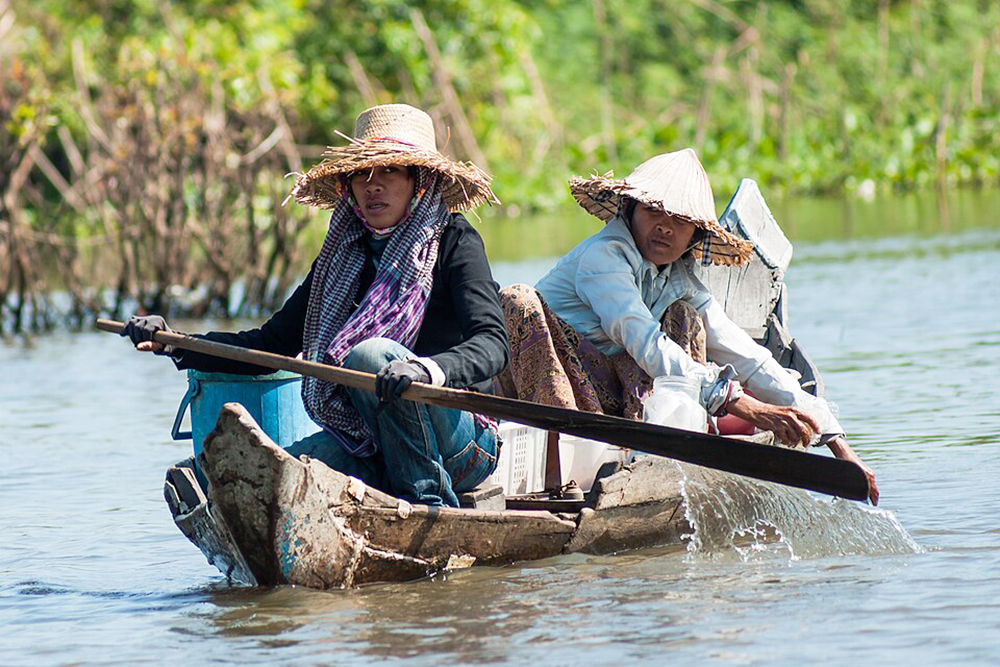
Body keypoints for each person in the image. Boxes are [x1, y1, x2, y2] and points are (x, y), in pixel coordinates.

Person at [121, 103, 509, 507]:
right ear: (349, 187)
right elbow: (270, 345)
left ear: (420, 182)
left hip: (462, 445)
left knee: (370, 355)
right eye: (361, 174)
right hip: (370, 440)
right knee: (256, 476)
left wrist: (424, 370)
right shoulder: (341, 256)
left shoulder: (455, 241)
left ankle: (429, 504)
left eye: (390, 171)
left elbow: (492, 344)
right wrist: (176, 341)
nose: (373, 185)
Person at [497, 149, 879, 505]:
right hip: (548, 407)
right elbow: (644, 340)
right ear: (629, 211)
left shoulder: (679, 280)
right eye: (654, 213)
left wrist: (835, 440)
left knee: (685, 320)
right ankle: (563, 480)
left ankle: (657, 456)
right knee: (518, 299)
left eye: (681, 222)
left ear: (695, 236)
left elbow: (746, 355)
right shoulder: (604, 258)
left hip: (609, 404)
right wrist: (745, 406)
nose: (665, 228)